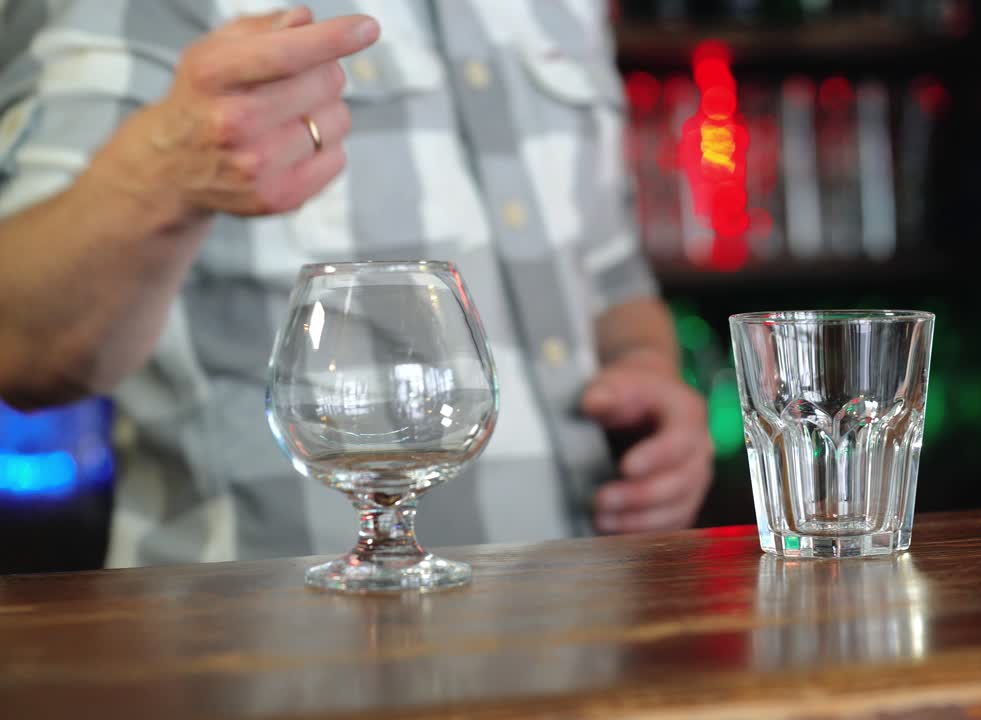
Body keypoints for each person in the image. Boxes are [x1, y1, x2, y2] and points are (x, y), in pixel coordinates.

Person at [0, 1, 713, 566]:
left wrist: (649, 377)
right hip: (271, 662)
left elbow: (612, 276)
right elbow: (23, 348)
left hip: (581, 636)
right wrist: (158, 173)